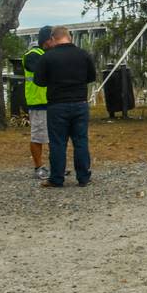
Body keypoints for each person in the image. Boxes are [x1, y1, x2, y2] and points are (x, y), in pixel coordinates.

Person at [33, 25, 97, 188]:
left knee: (58, 143)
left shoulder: (48, 57)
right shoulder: (83, 55)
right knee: (81, 141)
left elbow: (39, 81)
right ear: (70, 37)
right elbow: (91, 77)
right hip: (80, 103)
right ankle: (83, 177)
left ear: (53, 39)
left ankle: (57, 178)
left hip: (57, 105)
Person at [23, 25, 54, 180]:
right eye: (53, 39)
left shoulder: (48, 53)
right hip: (38, 102)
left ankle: (55, 166)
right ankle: (38, 167)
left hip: (52, 101)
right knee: (38, 136)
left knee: (54, 136)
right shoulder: (33, 54)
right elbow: (42, 70)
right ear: (47, 40)